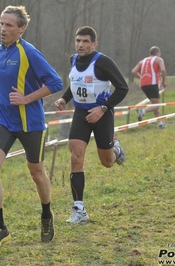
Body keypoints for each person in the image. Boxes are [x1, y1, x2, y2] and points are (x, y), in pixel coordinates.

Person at [0, 5, 63, 250]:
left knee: (37, 174)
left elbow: (56, 82)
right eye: (1, 24)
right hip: (4, 120)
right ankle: (0, 227)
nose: (3, 29)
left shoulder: (29, 52)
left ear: (21, 28)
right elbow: (9, 84)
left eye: (9, 25)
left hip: (31, 124)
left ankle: (46, 215)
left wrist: (27, 98)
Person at [54, 26, 128, 224]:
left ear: (94, 44)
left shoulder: (103, 62)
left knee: (107, 162)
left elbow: (123, 88)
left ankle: (116, 150)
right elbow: (76, 84)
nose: (81, 45)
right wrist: (64, 98)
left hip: (102, 114)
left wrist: (103, 108)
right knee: (75, 155)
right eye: (78, 40)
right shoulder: (74, 60)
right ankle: (79, 209)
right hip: (80, 114)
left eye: (86, 41)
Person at [131, 46, 167, 128]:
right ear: (157, 53)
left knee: (154, 104)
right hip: (153, 83)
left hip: (143, 85)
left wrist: (142, 77)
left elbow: (134, 71)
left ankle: (160, 124)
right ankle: (142, 111)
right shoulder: (158, 59)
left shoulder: (142, 61)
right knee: (156, 105)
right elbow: (163, 70)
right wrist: (163, 82)